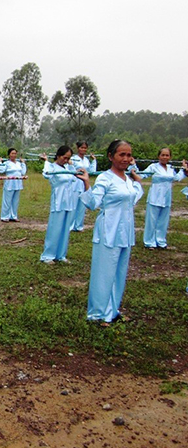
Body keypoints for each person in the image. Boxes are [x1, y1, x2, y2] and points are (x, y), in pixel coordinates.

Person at [76, 140, 143, 326]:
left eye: (129, 155)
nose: (126, 158)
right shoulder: (106, 178)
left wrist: (138, 182)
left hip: (125, 231)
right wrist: (87, 184)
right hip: (108, 230)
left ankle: (112, 311)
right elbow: (93, 203)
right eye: (122, 154)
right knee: (104, 273)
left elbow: (133, 198)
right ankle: (97, 314)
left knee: (119, 272)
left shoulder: (127, 180)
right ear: (111, 156)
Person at [40, 146, 81, 264]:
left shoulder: (68, 167)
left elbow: (75, 177)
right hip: (58, 202)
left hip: (69, 202)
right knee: (55, 228)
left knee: (65, 229)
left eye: (68, 158)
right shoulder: (52, 167)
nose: (66, 160)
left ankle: (61, 255)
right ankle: (48, 255)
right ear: (58, 156)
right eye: (64, 157)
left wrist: (72, 165)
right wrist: (46, 161)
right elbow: (46, 174)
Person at [141, 148, 187, 249]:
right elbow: (142, 175)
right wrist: (133, 169)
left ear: (170, 157)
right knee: (151, 221)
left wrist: (184, 169)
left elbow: (177, 178)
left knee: (163, 222)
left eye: (167, 155)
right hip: (154, 197)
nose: (165, 157)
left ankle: (161, 241)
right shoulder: (153, 167)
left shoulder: (170, 168)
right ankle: (149, 242)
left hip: (166, 198)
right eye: (163, 155)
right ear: (159, 156)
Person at [70, 141, 97, 232]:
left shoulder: (86, 160)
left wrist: (94, 160)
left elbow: (91, 171)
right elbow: (70, 170)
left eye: (85, 148)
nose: (83, 149)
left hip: (84, 183)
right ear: (78, 148)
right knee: (73, 205)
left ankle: (79, 226)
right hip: (75, 183)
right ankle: (71, 226)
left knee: (82, 206)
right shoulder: (73, 159)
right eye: (82, 147)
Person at [0, 148, 26, 222]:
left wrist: (23, 163)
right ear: (9, 154)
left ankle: (13, 216)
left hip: (18, 183)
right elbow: (1, 171)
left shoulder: (19, 163)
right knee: (7, 201)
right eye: (12, 153)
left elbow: (23, 172)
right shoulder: (6, 163)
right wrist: (0, 162)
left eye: (15, 153)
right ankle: (4, 216)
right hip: (9, 183)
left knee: (15, 201)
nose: (14, 155)